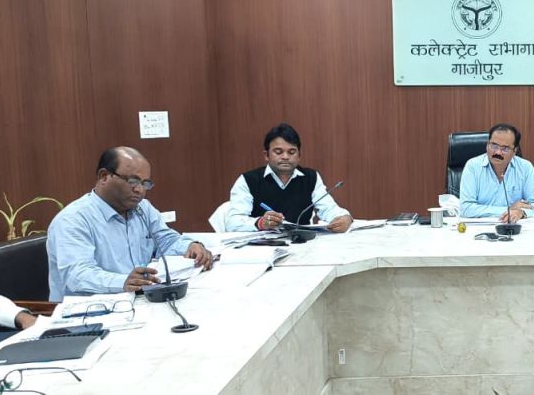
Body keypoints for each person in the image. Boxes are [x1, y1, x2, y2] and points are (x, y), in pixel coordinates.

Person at [46, 147, 213, 302]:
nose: (140, 190)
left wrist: (191, 246)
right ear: (104, 176)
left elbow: (166, 240)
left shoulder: (143, 209)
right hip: (90, 310)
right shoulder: (73, 220)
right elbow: (77, 276)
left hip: (138, 301)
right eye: (133, 181)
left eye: (145, 183)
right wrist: (123, 281)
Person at [225, 123, 352, 232]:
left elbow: (329, 209)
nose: (285, 157)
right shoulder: (248, 180)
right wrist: (260, 223)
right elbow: (232, 223)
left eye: (291, 152)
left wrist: (345, 218)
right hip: (262, 246)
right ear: (266, 155)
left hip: (303, 244)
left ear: (299, 156)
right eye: (278, 152)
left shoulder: (310, 177)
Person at [459, 123, 534, 222]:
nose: (498, 152)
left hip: (514, 227)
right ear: (487, 145)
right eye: (494, 146)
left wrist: (522, 212)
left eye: (505, 148)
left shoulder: (525, 168)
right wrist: (509, 209)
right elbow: (466, 208)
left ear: (515, 151)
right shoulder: (473, 167)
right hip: (479, 227)